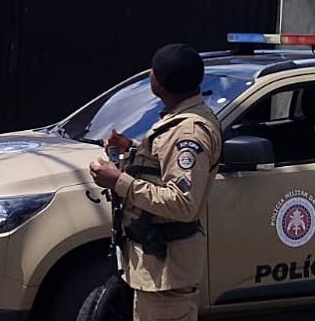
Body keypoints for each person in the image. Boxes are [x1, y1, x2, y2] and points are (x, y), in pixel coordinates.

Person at [88, 44, 222, 321]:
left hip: (168, 268)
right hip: (155, 265)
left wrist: (120, 182)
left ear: (158, 83)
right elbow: (165, 163)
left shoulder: (191, 133)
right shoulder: (180, 119)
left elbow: (183, 203)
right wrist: (132, 148)